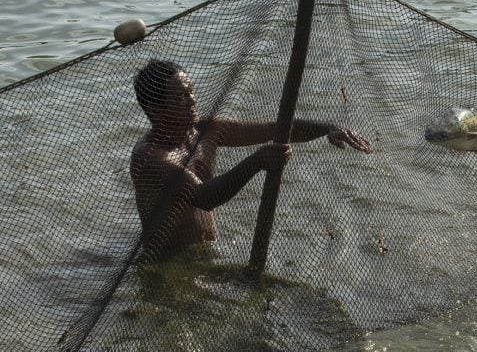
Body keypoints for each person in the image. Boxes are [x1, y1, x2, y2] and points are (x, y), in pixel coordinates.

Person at [130, 59, 371, 254]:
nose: (192, 101)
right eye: (181, 98)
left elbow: (271, 129)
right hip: (166, 262)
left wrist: (327, 127)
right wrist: (256, 161)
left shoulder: (207, 131)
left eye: (191, 92)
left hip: (203, 253)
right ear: (156, 110)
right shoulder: (150, 156)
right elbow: (204, 197)